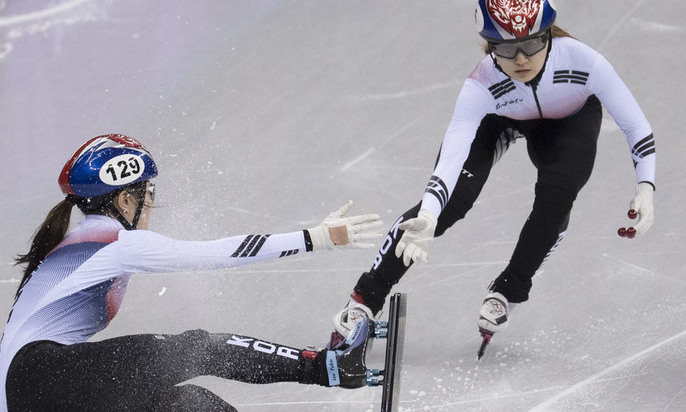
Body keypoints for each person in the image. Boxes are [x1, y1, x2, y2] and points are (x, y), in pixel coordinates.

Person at [327, 0, 656, 351]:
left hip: (567, 120)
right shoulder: (481, 83)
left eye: (531, 43)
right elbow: (452, 158)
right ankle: (366, 296)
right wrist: (429, 212)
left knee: (558, 194)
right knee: (450, 202)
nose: (521, 59)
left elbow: (635, 124)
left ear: (548, 36)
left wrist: (646, 184)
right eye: (507, 48)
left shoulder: (583, 61)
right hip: (497, 119)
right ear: (489, 46)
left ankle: (509, 288)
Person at [0, 134, 384, 411]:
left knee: (189, 404)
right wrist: (317, 237)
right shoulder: (113, 241)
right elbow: (217, 253)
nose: (151, 203)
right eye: (147, 193)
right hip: (38, 377)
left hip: (32, 391)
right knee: (196, 349)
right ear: (124, 199)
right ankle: (329, 366)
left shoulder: (75, 245)